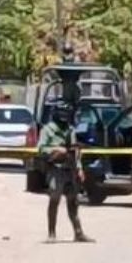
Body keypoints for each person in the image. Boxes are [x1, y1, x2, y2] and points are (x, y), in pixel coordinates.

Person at [38, 101, 94, 243]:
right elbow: (41, 149)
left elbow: (75, 150)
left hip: (71, 168)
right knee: (54, 200)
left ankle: (79, 233)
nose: (64, 116)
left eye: (66, 113)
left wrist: (80, 168)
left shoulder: (71, 129)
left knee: (73, 202)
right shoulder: (47, 130)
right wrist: (56, 149)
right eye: (61, 113)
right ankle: (51, 234)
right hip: (56, 169)